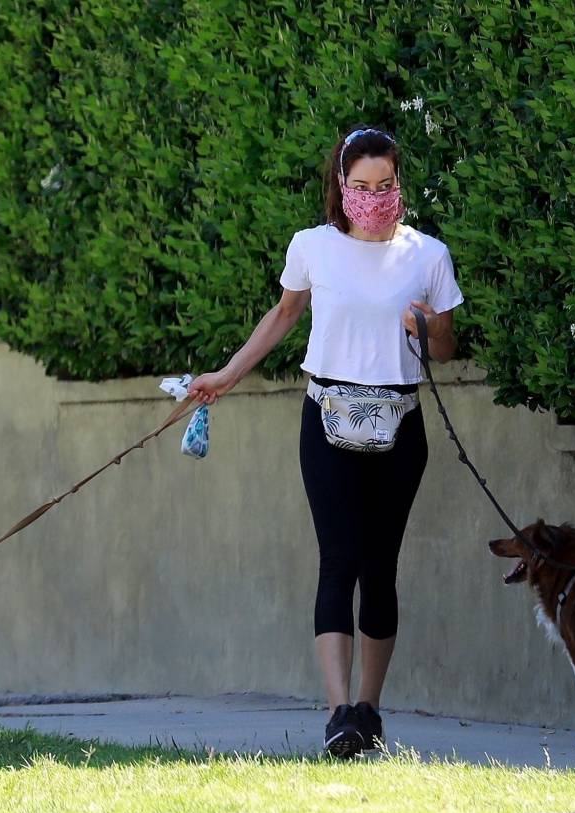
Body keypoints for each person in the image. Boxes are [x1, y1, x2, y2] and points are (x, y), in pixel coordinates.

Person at [189, 126, 463, 758]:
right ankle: (338, 712)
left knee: (381, 568)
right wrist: (226, 377)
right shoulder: (313, 246)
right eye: (361, 187)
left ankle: (370, 708)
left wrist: (423, 325)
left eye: (385, 186)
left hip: (399, 422)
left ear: (400, 185)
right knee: (338, 560)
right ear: (342, 188)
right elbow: (284, 314)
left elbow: (444, 348)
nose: (373, 197)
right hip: (327, 416)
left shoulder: (427, 255)